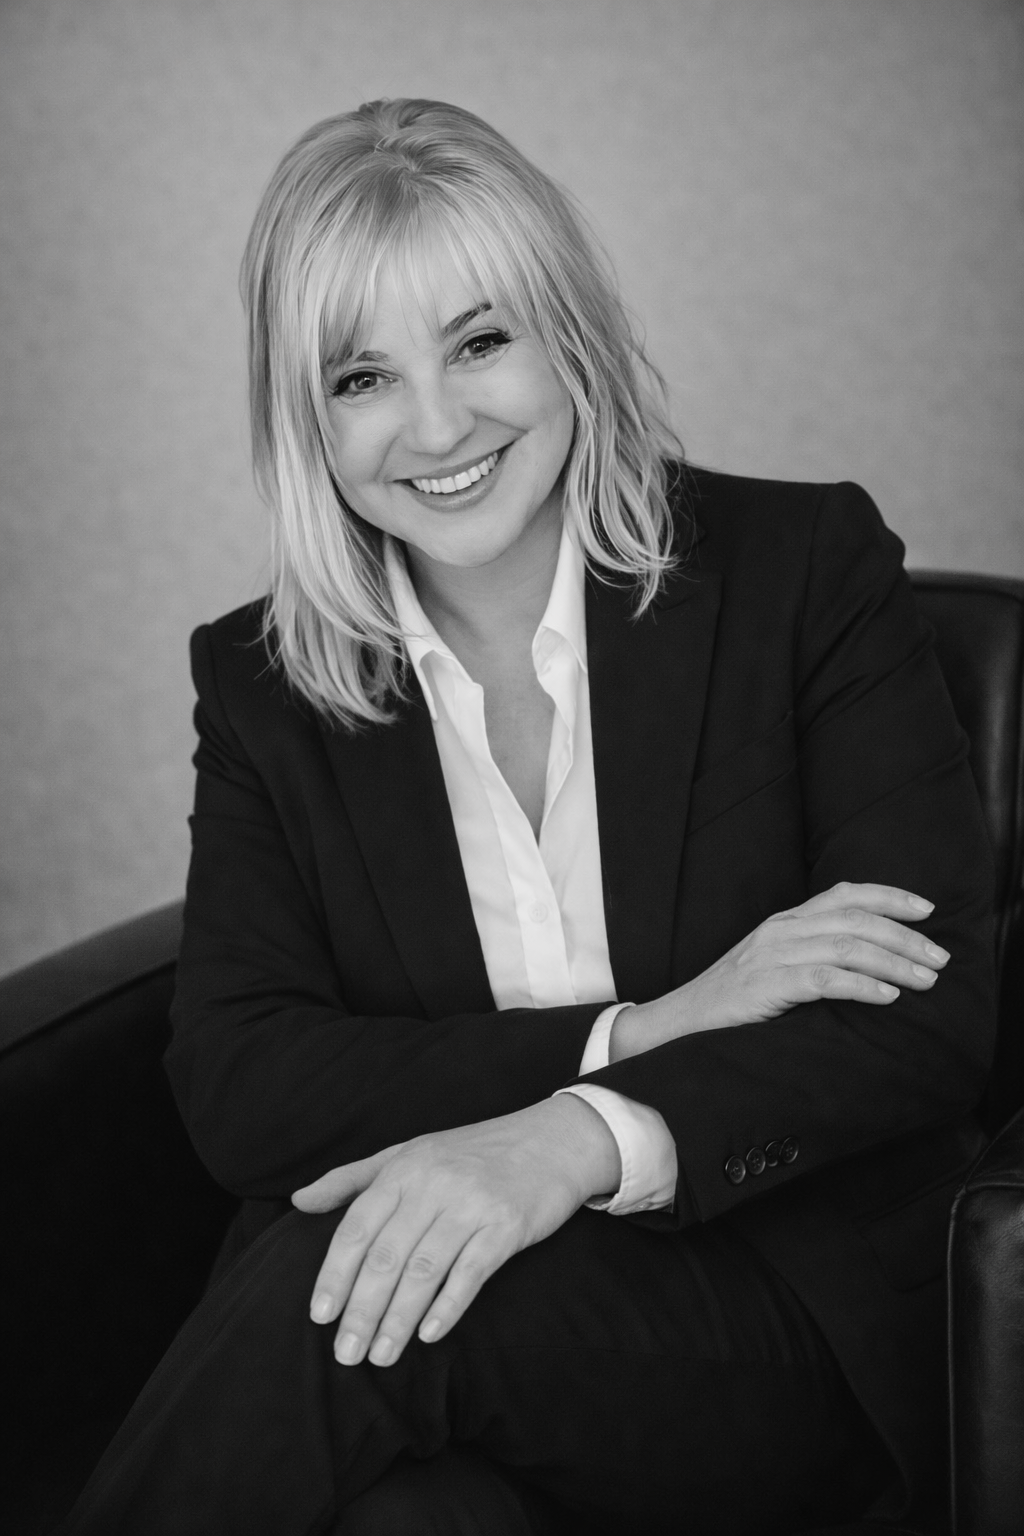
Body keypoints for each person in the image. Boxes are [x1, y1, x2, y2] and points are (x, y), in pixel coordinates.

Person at [63, 98, 995, 1536]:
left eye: (481, 341)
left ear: (569, 335)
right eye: (363, 376)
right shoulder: (263, 686)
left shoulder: (801, 571)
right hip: (468, 1343)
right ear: (309, 419)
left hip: (778, 1314)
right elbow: (248, 1087)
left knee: (353, 1288)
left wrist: (568, 1141)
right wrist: (643, 1030)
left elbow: (920, 1018)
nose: (437, 426)